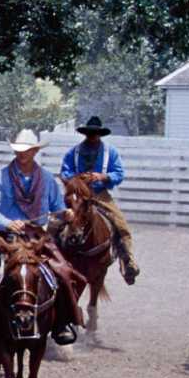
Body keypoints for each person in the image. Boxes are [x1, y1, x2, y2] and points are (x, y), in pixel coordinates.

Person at [0, 129, 79, 347]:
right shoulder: (1, 177)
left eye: (27, 150)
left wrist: (66, 213)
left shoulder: (47, 179)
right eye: (18, 150)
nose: (22, 154)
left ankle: (62, 323)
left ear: (35, 151)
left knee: (64, 271)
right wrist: (7, 222)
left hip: (36, 236)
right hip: (5, 235)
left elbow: (57, 207)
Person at [59, 115, 140, 285]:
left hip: (100, 194)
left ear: (100, 134)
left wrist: (102, 176)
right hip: (79, 194)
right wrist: (78, 178)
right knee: (57, 221)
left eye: (95, 134)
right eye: (89, 133)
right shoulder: (73, 153)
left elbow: (119, 174)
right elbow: (65, 172)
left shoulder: (110, 152)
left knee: (120, 224)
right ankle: (53, 256)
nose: (92, 137)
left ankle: (128, 262)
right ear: (85, 134)